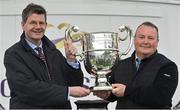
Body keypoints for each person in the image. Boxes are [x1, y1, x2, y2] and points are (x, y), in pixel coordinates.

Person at [4, 3, 90, 109]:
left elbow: (75, 83)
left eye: (41, 23)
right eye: (33, 23)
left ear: (46, 25)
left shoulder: (54, 52)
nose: (38, 27)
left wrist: (71, 61)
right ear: (23, 25)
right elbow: (28, 89)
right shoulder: (13, 54)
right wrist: (67, 91)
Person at [94, 21, 178, 109]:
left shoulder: (167, 66)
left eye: (150, 38)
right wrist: (106, 94)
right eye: (141, 37)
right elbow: (114, 94)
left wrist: (127, 91)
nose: (146, 41)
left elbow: (161, 98)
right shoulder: (120, 65)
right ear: (134, 40)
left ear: (157, 42)